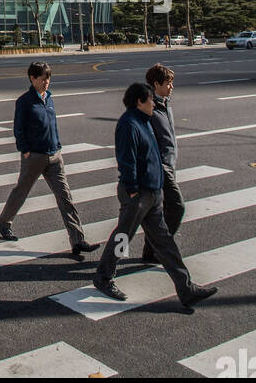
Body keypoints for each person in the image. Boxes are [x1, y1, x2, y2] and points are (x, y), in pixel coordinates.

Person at [93, 82, 217, 309]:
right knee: (123, 237)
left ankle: (186, 289)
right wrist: (132, 188)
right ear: (140, 101)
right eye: (150, 99)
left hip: (152, 193)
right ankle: (104, 276)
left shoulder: (144, 121)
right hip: (138, 194)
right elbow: (126, 159)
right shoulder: (129, 124)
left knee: (165, 242)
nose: (154, 103)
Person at [0, 62, 98, 260]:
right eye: (43, 78)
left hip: (54, 155)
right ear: (32, 79)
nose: (46, 82)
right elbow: (19, 129)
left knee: (65, 197)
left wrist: (57, 145)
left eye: (48, 78)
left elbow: (52, 124)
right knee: (21, 192)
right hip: (34, 156)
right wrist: (25, 151)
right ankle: (3, 224)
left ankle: (77, 240)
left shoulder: (48, 98)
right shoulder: (25, 101)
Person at [141, 64, 183, 266]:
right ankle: (161, 249)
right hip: (159, 168)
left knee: (156, 212)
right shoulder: (148, 107)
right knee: (176, 207)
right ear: (156, 84)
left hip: (168, 165)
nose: (171, 86)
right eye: (168, 83)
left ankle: (151, 251)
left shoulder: (165, 104)